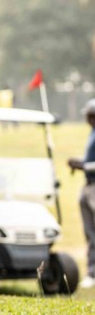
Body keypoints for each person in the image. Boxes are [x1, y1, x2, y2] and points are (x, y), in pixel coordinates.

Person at [68, 98, 95, 290]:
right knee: (90, 232)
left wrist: (83, 165)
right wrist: (79, 162)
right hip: (88, 185)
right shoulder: (91, 133)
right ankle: (92, 271)